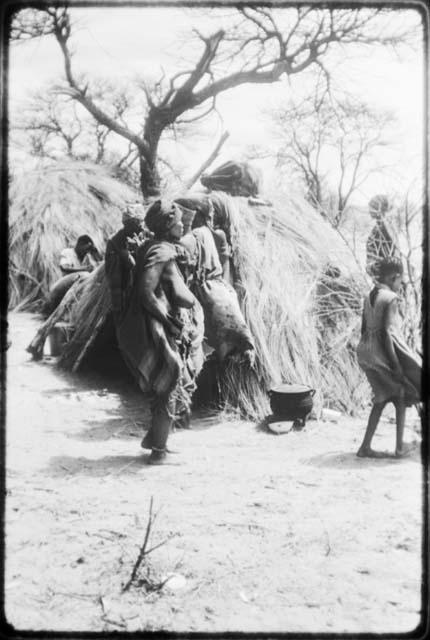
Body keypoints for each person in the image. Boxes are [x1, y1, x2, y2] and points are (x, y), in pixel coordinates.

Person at [116, 200, 204, 464]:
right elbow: (145, 292)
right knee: (167, 383)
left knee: (165, 386)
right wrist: (167, 321)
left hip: (159, 323)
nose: (183, 225)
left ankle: (156, 438)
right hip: (155, 327)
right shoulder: (160, 252)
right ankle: (158, 452)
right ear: (167, 224)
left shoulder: (156, 248)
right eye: (178, 221)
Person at [356, 257, 421, 458]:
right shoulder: (391, 298)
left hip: (364, 351)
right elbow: (387, 334)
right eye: (400, 282)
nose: (400, 286)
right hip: (378, 353)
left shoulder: (370, 296)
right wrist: (397, 365)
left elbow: (364, 329)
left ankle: (365, 447)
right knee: (400, 393)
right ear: (394, 277)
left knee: (383, 397)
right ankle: (399, 449)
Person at [104, 204, 146, 325]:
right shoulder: (115, 240)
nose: (140, 227)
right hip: (122, 280)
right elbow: (120, 269)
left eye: (140, 223)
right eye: (134, 224)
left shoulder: (144, 234)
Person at [42, 235, 100, 316]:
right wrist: (84, 269)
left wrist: (95, 253)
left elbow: (98, 267)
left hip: (75, 289)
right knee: (85, 275)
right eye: (86, 249)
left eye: (88, 250)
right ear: (79, 245)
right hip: (63, 285)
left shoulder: (86, 257)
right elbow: (64, 267)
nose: (86, 252)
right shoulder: (68, 252)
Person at [366, 195, 400, 278]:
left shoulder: (386, 229)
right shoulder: (380, 229)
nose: (369, 211)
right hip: (387, 276)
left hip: (390, 277)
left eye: (372, 208)